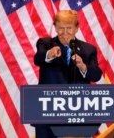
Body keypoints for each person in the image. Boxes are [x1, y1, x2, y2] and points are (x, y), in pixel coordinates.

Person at [33, 10, 102, 138]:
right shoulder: (46, 43)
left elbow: (96, 74)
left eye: (69, 28)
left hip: (77, 116)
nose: (64, 33)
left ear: (77, 28)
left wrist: (83, 66)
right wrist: (49, 54)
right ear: (55, 27)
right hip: (48, 115)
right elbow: (38, 58)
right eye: (60, 28)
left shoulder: (88, 49)